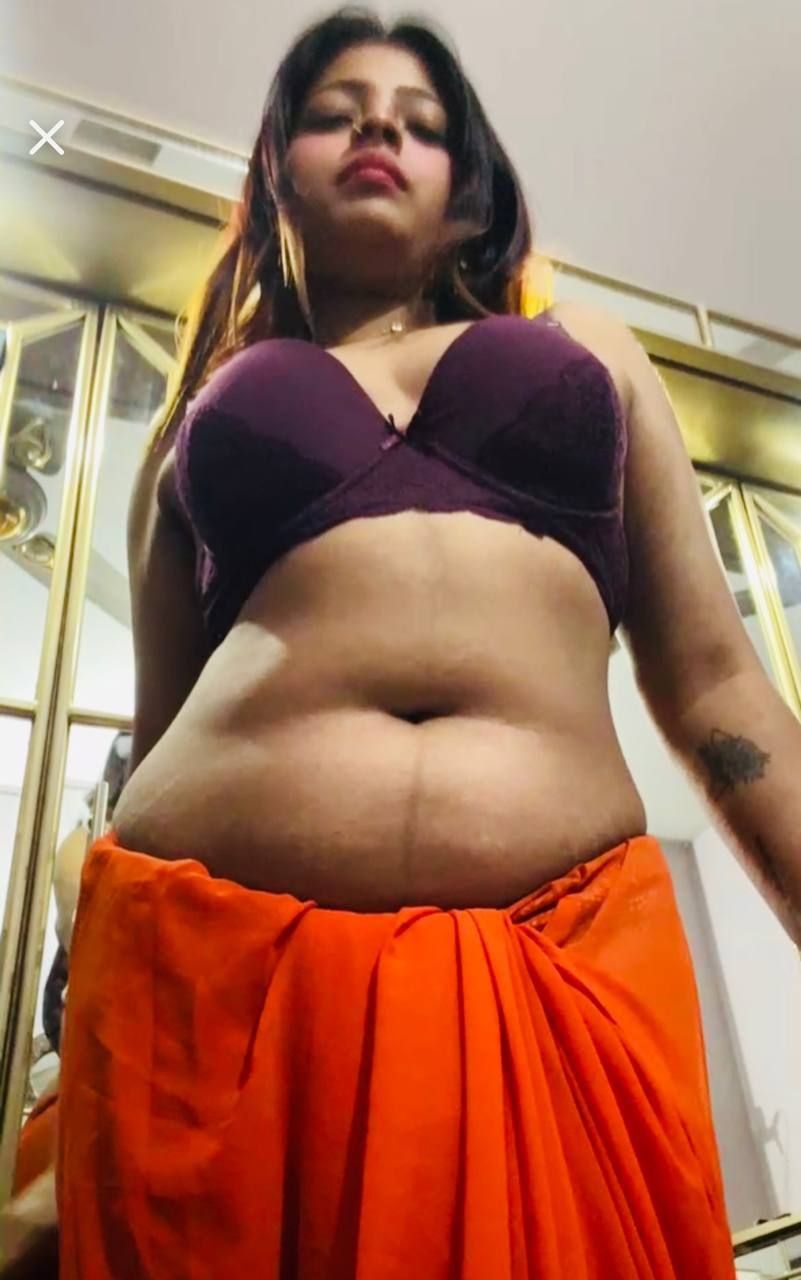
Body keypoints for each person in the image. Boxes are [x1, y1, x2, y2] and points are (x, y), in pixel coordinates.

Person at [6, 6, 801, 1277]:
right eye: (336, 110)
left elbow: (721, 687)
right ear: (279, 172)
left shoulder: (588, 353)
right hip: (212, 998)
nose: (378, 124)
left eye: (421, 121)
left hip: (554, 979)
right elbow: (157, 740)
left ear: (469, 190)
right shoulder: (201, 412)